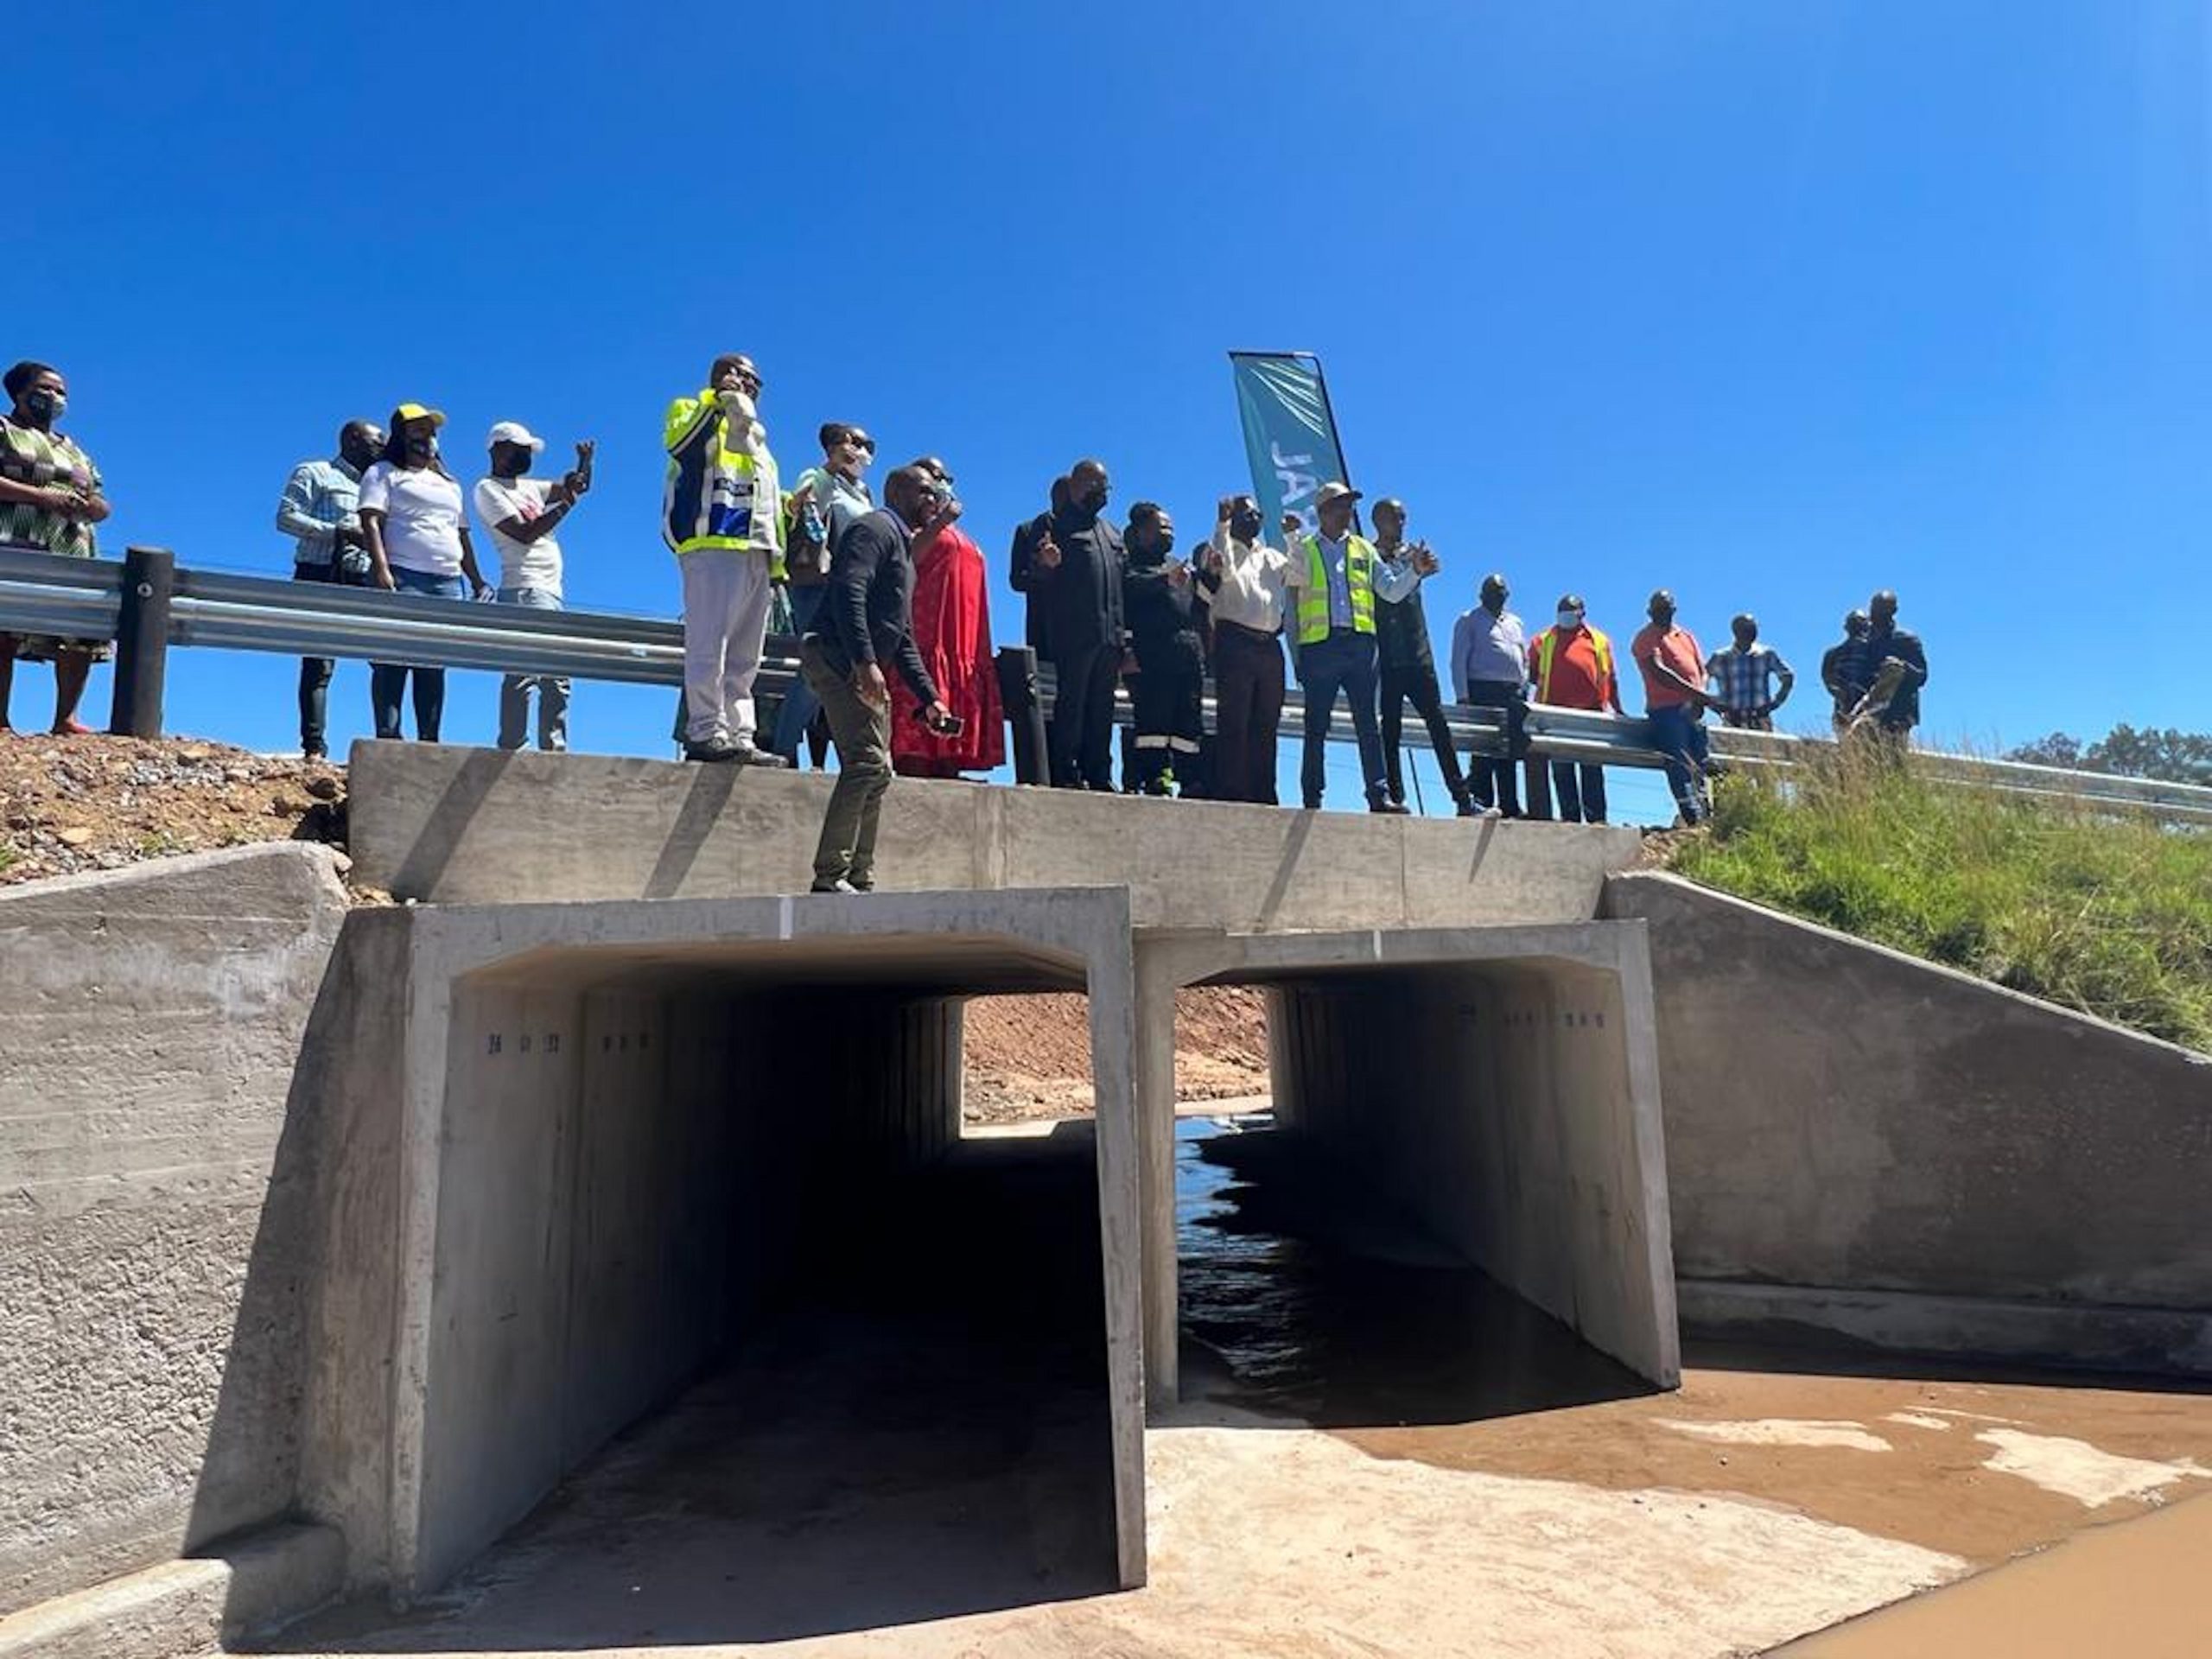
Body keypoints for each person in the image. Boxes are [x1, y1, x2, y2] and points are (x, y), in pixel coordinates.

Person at [801, 465, 956, 893]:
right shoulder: (874, 529)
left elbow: (901, 635)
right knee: (866, 761)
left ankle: (859, 876)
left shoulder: (903, 549)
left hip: (858, 661)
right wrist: (865, 662)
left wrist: (930, 698)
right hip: (836, 655)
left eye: (936, 492)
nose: (933, 499)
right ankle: (830, 876)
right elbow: (849, 592)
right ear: (898, 492)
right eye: (924, 491)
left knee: (880, 770)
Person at [662, 353, 790, 765]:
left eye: (756, 381)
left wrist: (778, 556)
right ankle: (705, 731)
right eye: (742, 375)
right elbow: (682, 446)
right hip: (714, 542)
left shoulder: (758, 436)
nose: (749, 385)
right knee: (708, 644)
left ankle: (740, 735)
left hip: (757, 551)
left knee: (745, 656)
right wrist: (718, 401)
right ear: (720, 375)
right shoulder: (692, 408)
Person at [1283, 481, 1417, 814]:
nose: (1348, 512)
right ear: (1323, 512)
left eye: (1350, 505)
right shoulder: (1305, 548)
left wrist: (1415, 572)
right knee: (1316, 725)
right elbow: (1292, 605)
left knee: (1368, 725)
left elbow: (1390, 591)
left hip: (1360, 647)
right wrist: (1297, 657)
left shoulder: (1363, 549)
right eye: (1341, 505)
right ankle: (1312, 797)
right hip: (1320, 648)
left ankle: (1379, 795)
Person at [359, 404, 490, 742]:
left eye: (431, 431)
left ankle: (428, 740)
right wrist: (381, 568)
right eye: (418, 430)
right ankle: (389, 736)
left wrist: (476, 580)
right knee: (393, 658)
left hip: (447, 580)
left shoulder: (449, 483)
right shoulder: (383, 472)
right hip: (403, 573)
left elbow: (461, 533)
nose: (427, 437)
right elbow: (371, 521)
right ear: (401, 435)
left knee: (433, 662)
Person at [0, 361, 112, 735]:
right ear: (20, 392)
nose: (55, 397)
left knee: (78, 628)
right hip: (15, 536)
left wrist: (93, 507)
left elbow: (101, 498)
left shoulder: (74, 450)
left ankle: (66, 719)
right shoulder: (5, 430)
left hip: (70, 544)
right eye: (46, 388)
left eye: (61, 391)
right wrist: (40, 497)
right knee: (4, 626)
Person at [474, 421, 593, 753]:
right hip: (524, 587)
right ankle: (518, 747)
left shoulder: (529, 487)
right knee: (531, 670)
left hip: (549, 589)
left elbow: (576, 487)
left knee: (551, 673)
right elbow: (524, 533)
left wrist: (584, 465)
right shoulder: (488, 489)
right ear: (498, 449)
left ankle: (546, 748)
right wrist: (566, 503)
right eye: (520, 450)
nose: (526, 457)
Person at [772, 422, 876, 766]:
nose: (863, 452)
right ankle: (783, 748)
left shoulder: (864, 492)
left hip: (852, 588)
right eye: (857, 443)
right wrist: (832, 466)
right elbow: (803, 507)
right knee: (814, 669)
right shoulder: (817, 476)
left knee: (846, 671)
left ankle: (852, 757)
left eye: (869, 446)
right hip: (816, 585)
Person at [892, 455, 1003, 779]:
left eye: (945, 479)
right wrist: (939, 522)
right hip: (926, 636)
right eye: (934, 478)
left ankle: (948, 764)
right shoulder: (910, 528)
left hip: (964, 640)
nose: (941, 485)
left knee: (954, 706)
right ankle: (915, 766)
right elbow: (908, 557)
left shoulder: (958, 532)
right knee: (923, 698)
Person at [276, 419, 383, 759]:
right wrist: (338, 532)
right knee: (319, 664)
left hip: (363, 576)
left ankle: (387, 741)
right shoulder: (315, 472)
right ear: (353, 440)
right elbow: (286, 517)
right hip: (319, 572)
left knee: (383, 657)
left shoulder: (378, 485)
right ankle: (314, 748)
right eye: (376, 441)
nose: (382, 447)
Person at [1026, 458, 1128, 791]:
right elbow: (1031, 577)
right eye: (1094, 486)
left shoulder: (1112, 533)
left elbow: (1124, 587)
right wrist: (1045, 565)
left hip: (1110, 637)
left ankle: (1099, 773)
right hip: (1074, 635)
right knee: (1072, 705)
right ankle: (1066, 772)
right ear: (1074, 487)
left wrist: (1125, 639)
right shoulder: (1053, 525)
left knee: (1102, 707)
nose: (1101, 493)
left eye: (1105, 487)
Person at [1370, 498, 1472, 815]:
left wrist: (1424, 565)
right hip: (1387, 656)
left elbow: (1432, 568)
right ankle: (1395, 798)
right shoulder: (1369, 556)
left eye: (1403, 518)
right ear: (1378, 521)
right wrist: (1416, 569)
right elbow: (1391, 592)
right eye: (1394, 518)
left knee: (1439, 727)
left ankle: (1463, 799)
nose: (1401, 524)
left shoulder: (1410, 553)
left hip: (1419, 655)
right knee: (1390, 730)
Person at [1199, 494, 1290, 804]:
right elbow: (1223, 571)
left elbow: (1300, 573)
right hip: (1234, 640)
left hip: (1269, 645)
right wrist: (1222, 525)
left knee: (1267, 721)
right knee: (1234, 719)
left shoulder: (1271, 556)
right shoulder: (1220, 547)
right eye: (1247, 514)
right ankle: (1232, 790)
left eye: (1258, 515)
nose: (1255, 520)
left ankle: (1264, 791)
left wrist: (1292, 537)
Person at [1121, 502, 1204, 796]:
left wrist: (1211, 574)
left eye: (1171, 528)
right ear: (1142, 532)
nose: (1169, 533)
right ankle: (1156, 776)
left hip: (1187, 652)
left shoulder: (1177, 566)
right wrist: (1127, 649)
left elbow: (1200, 603)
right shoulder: (1129, 565)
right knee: (1154, 719)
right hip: (1152, 654)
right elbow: (1128, 593)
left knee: (1188, 718)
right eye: (1162, 528)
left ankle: (1190, 778)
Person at [1526, 594, 1622, 824]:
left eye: (1570, 610)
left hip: (1591, 714)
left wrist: (1617, 709)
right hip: (1555, 715)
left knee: (1592, 769)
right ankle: (1570, 819)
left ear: (1582, 613)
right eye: (1562, 610)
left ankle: (1597, 819)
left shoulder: (1599, 640)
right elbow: (1532, 675)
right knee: (1562, 769)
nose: (1565, 614)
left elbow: (1610, 677)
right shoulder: (1543, 640)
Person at [1630, 589, 1712, 825]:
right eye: (1657, 609)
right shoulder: (1645, 637)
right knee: (1679, 762)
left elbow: (1701, 670)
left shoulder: (1685, 636)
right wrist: (1698, 695)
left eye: (1666, 608)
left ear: (1674, 610)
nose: (1662, 613)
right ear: (1649, 612)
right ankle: (1691, 815)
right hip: (1666, 710)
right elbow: (1659, 672)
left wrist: (1699, 697)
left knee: (1701, 760)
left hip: (1693, 708)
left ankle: (1706, 812)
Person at [1449, 574, 1528, 817]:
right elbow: (1458, 660)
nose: (1498, 595)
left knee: (1509, 750)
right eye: (1493, 591)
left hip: (1512, 692)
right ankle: (1481, 801)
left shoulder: (1515, 622)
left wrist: (1524, 686)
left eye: (1501, 591)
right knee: (1483, 748)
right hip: (1482, 689)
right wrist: (1463, 696)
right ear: (1482, 595)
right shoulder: (1469, 620)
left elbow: (1523, 657)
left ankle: (1510, 805)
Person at [1853, 590, 1928, 739]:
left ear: (1894, 611)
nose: (1876, 613)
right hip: (1861, 714)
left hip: (1896, 715)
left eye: (1882, 608)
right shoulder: (1862, 641)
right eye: (1874, 608)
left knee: (1892, 753)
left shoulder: (1906, 640)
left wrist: (1901, 667)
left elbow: (1921, 676)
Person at [1704, 613, 1796, 732]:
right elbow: (1701, 679)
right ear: (1736, 630)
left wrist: (1774, 704)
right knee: (1731, 745)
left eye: (1754, 627)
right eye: (1747, 628)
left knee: (1764, 745)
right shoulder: (1720, 657)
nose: (1752, 631)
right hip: (1732, 720)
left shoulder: (1766, 654)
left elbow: (1787, 676)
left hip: (1760, 719)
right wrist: (1715, 705)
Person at [1820, 609, 1872, 734]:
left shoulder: (1874, 651)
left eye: (1861, 622)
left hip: (1869, 708)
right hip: (1843, 709)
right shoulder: (1833, 654)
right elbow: (1827, 678)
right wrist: (1841, 694)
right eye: (1854, 623)